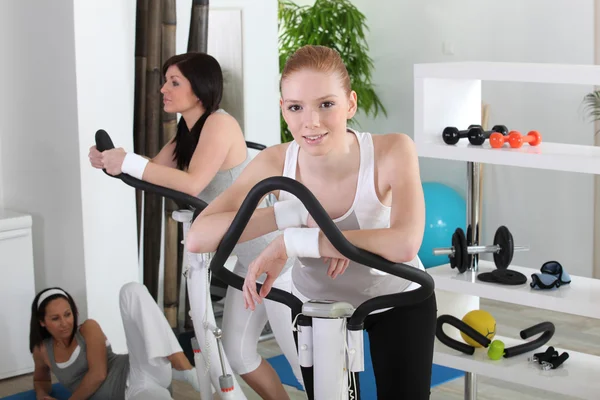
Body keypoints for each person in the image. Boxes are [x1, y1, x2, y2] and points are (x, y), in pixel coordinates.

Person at [185, 44, 438, 399]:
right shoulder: (276, 162)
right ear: (283, 110)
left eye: (326, 104)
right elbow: (200, 236)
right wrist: (290, 214)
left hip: (397, 297)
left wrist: (300, 241)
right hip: (318, 305)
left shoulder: (392, 150)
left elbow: (405, 242)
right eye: (296, 107)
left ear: (350, 103)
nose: (311, 121)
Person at [88, 52, 303, 399]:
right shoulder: (187, 132)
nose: (163, 89)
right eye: (165, 81)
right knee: (239, 355)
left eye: (174, 82)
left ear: (200, 89)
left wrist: (127, 162)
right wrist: (113, 161)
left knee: (302, 361)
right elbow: (153, 168)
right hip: (249, 264)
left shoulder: (219, 124)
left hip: (280, 260)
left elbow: (191, 182)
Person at [29, 283, 201, 400]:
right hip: (135, 393)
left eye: (68, 314)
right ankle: (177, 373)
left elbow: (98, 375)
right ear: (42, 322)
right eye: (55, 318)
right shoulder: (42, 350)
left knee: (131, 290)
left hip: (140, 369)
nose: (65, 323)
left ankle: (184, 366)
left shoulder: (88, 329)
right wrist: (42, 396)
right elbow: (41, 380)